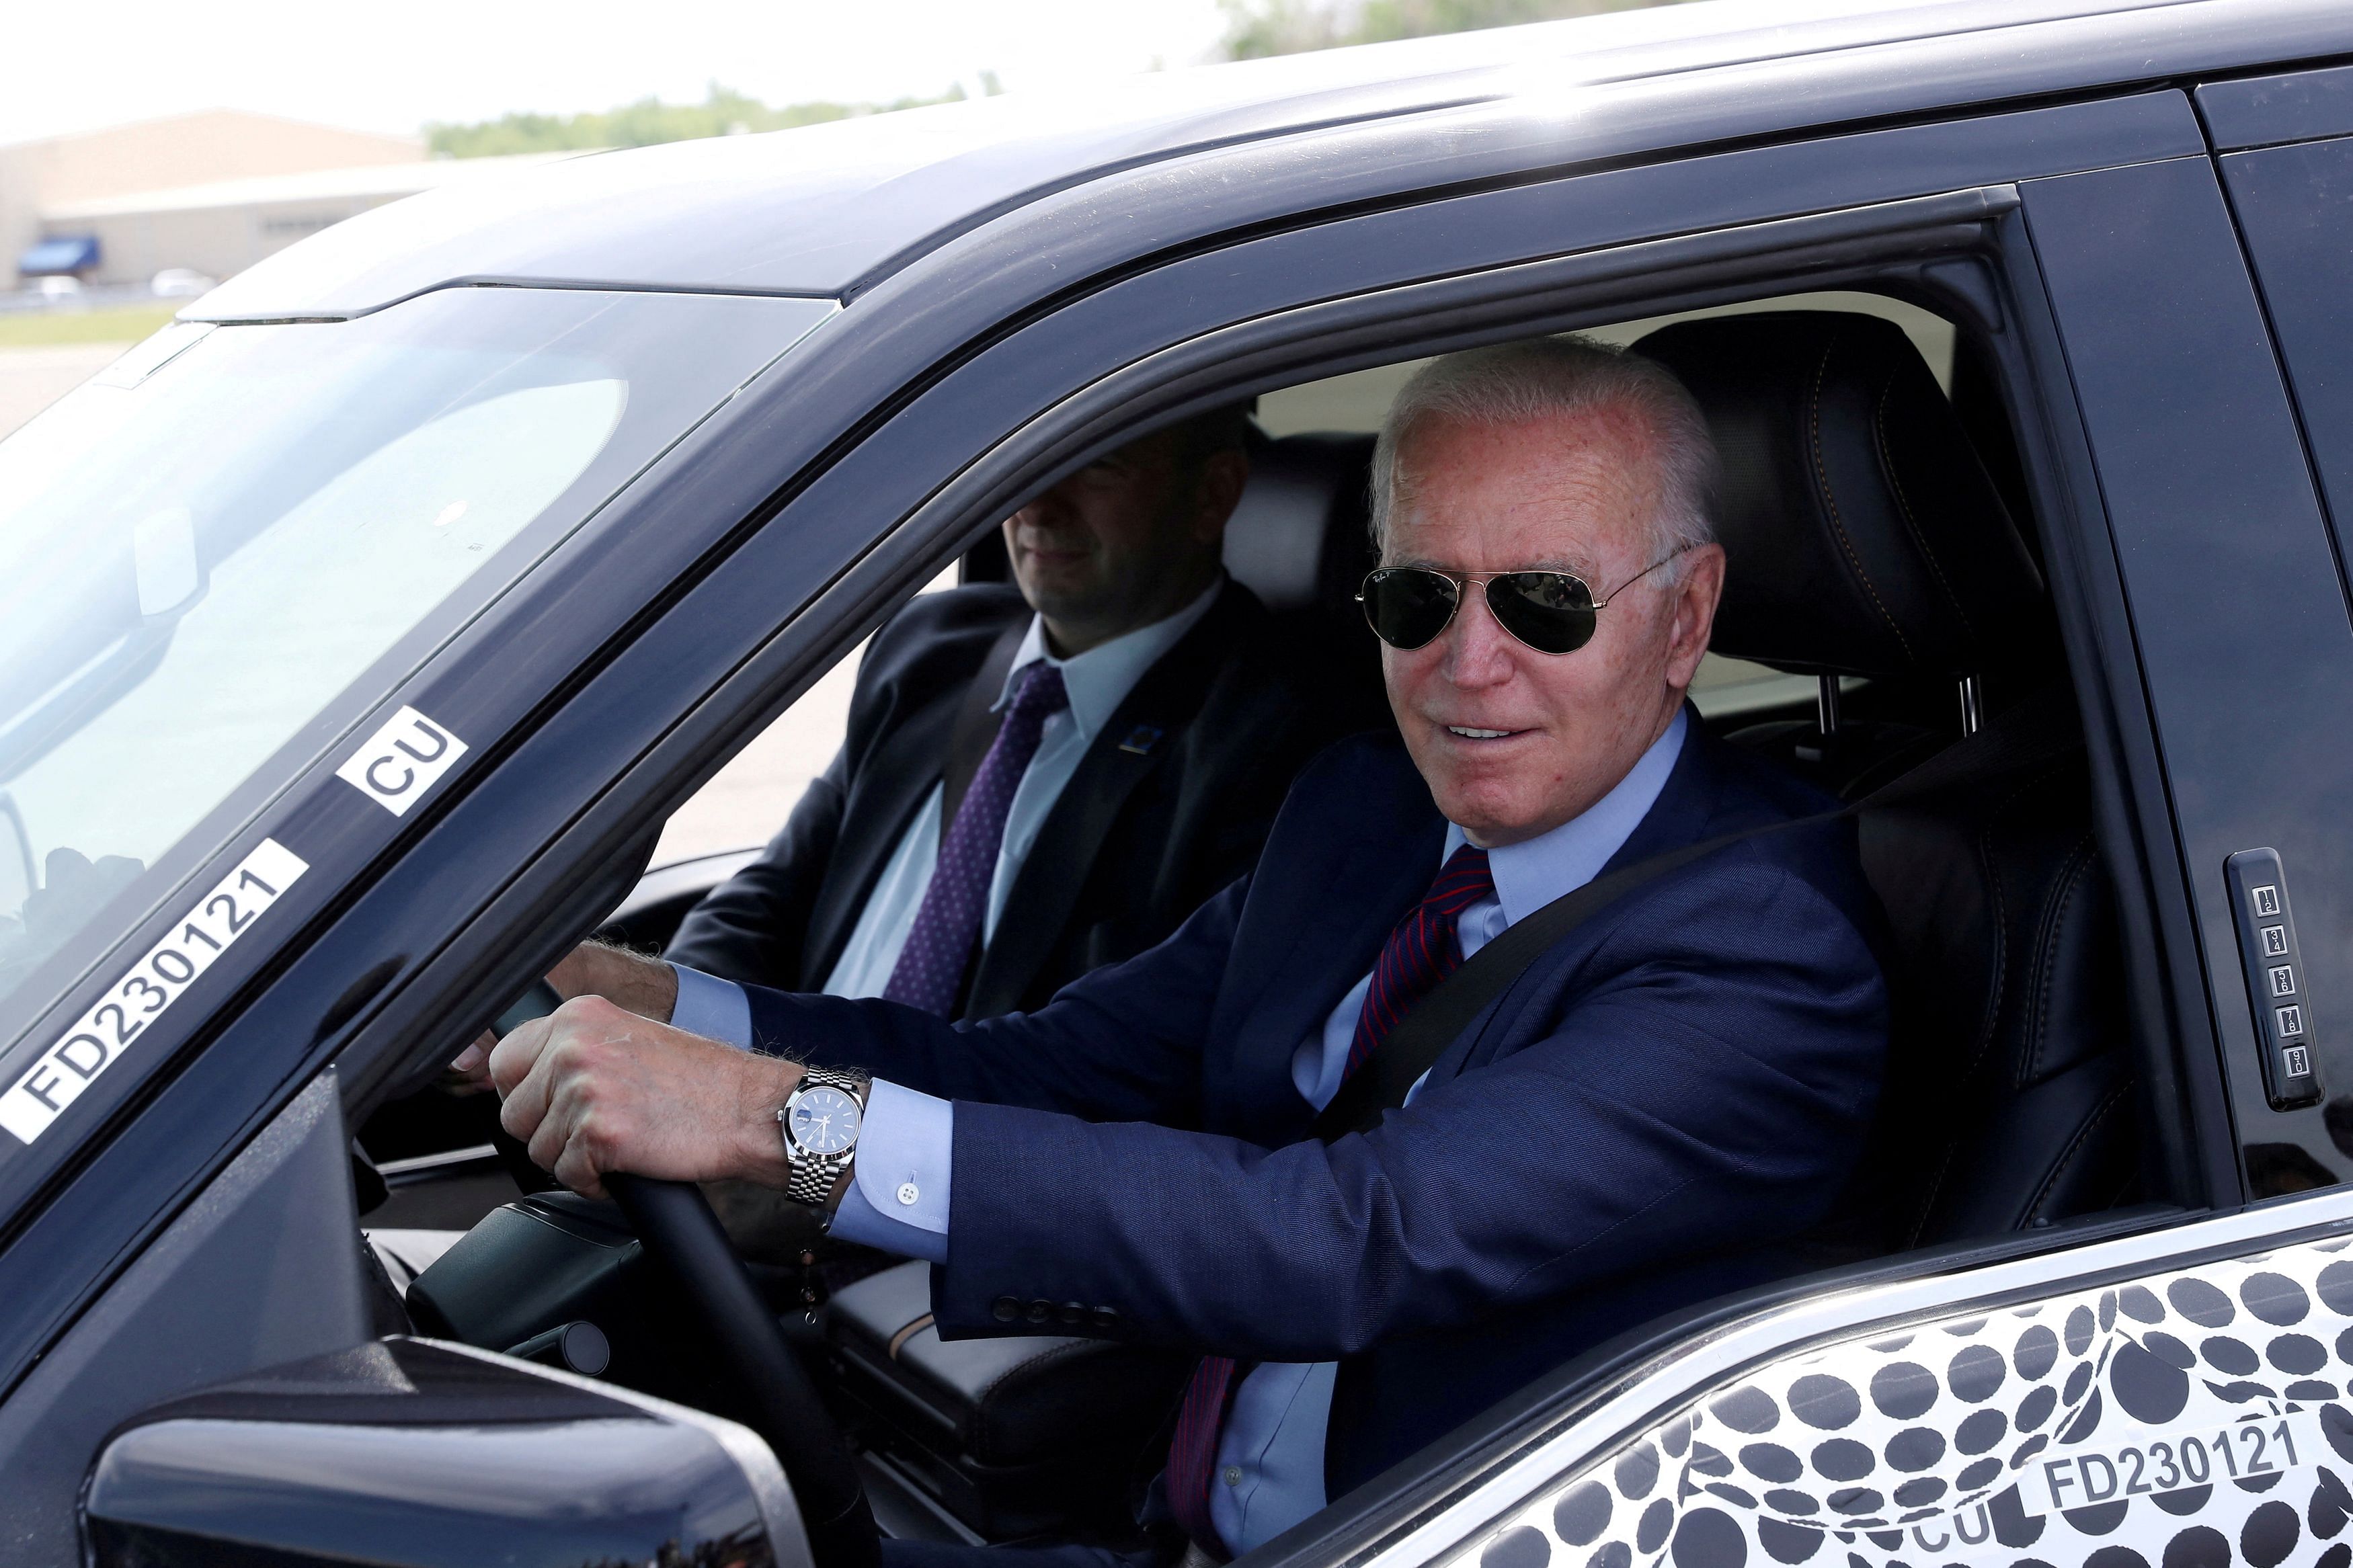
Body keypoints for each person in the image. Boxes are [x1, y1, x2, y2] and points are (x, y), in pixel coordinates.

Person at [477, 337, 1890, 1567]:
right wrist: (670, 1004)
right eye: (1417, 599)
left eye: (1544, 602)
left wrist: (777, 1124)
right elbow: (1049, 1066)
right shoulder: (1363, 811)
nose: (1468, 663)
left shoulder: (1762, 954)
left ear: (1685, 615)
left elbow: (1345, 1236)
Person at [662, 406, 1364, 1026]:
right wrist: (657, 1021)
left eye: (1094, 465)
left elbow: (1113, 1062)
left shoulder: (1281, 743)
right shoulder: (929, 649)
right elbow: (769, 896)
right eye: (1030, 454)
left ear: (1211, 494)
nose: (1036, 502)